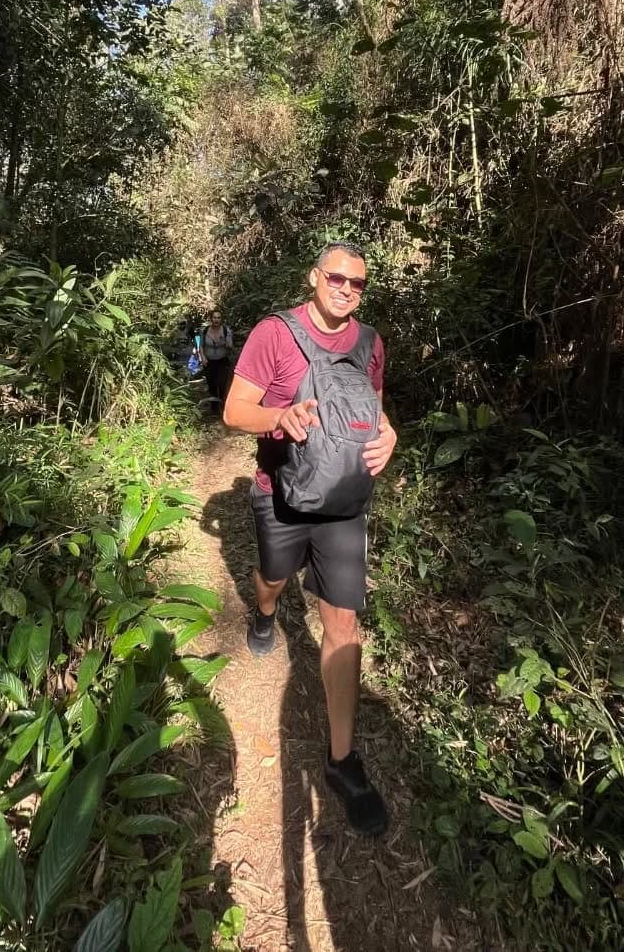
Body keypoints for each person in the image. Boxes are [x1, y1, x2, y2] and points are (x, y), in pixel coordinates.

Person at [223, 242, 397, 836]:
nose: (347, 288)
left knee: (342, 624)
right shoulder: (274, 334)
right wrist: (280, 417)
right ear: (315, 277)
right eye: (337, 277)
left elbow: (373, 410)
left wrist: (390, 434)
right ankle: (266, 611)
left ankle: (343, 762)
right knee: (273, 579)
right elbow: (233, 410)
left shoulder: (370, 344)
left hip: (344, 501)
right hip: (281, 492)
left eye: (358, 283)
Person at [200, 309, 234, 405]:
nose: (216, 320)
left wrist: (225, 340)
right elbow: (201, 346)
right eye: (214, 317)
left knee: (222, 384)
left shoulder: (226, 330)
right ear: (211, 319)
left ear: (221, 319)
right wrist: (202, 357)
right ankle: (214, 407)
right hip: (209, 362)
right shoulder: (205, 331)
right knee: (212, 384)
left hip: (222, 361)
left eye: (219, 318)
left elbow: (230, 346)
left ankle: (223, 406)